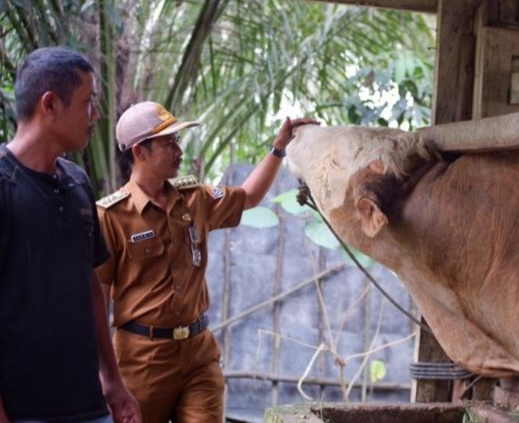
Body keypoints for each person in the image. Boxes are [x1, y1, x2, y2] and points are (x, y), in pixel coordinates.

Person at [95, 101, 317, 423]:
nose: (178, 150)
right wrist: (106, 374)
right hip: (140, 360)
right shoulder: (111, 217)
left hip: (199, 355)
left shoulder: (195, 199)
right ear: (139, 151)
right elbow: (97, 303)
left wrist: (278, 148)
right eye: (168, 143)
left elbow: (249, 197)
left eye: (177, 141)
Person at [0, 47, 140, 423]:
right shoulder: (3, 185)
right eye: (87, 102)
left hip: (89, 407)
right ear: (50, 105)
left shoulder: (77, 182)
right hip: (24, 411)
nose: (96, 114)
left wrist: (112, 380)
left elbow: (90, 282)